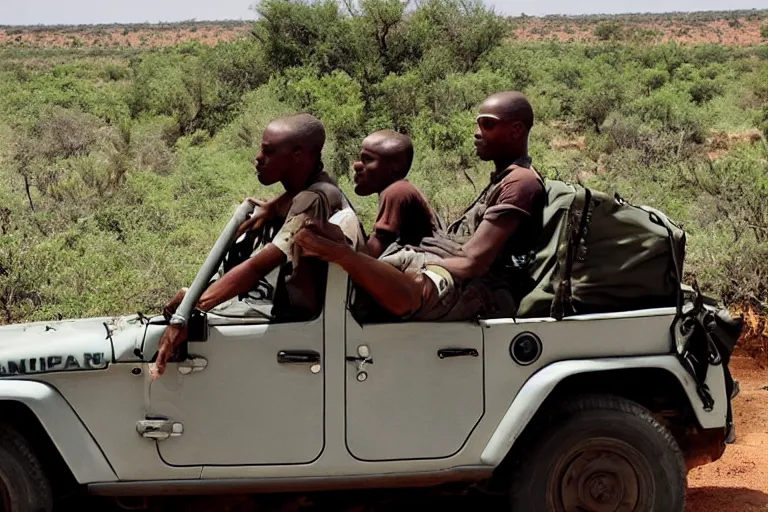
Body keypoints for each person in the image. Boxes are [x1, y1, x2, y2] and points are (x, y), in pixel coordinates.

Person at [294, 91, 546, 322]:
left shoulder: (520, 183)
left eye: (488, 124)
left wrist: (356, 257)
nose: (477, 132)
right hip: (443, 262)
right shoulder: (504, 178)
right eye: (478, 124)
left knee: (402, 287)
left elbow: (473, 264)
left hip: (480, 286)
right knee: (357, 281)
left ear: (516, 130)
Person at [152, 113, 363, 378]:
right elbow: (292, 200)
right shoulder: (319, 187)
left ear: (298, 155)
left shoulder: (313, 199)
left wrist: (192, 308)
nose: (259, 157)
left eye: (269, 151)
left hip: (293, 324)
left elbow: (258, 266)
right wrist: (271, 208)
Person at [242, 129, 438, 259]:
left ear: (396, 167)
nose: (357, 165)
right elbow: (324, 183)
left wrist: (329, 239)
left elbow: (370, 257)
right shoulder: (397, 190)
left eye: (367, 160)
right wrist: (274, 207)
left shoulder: (397, 192)